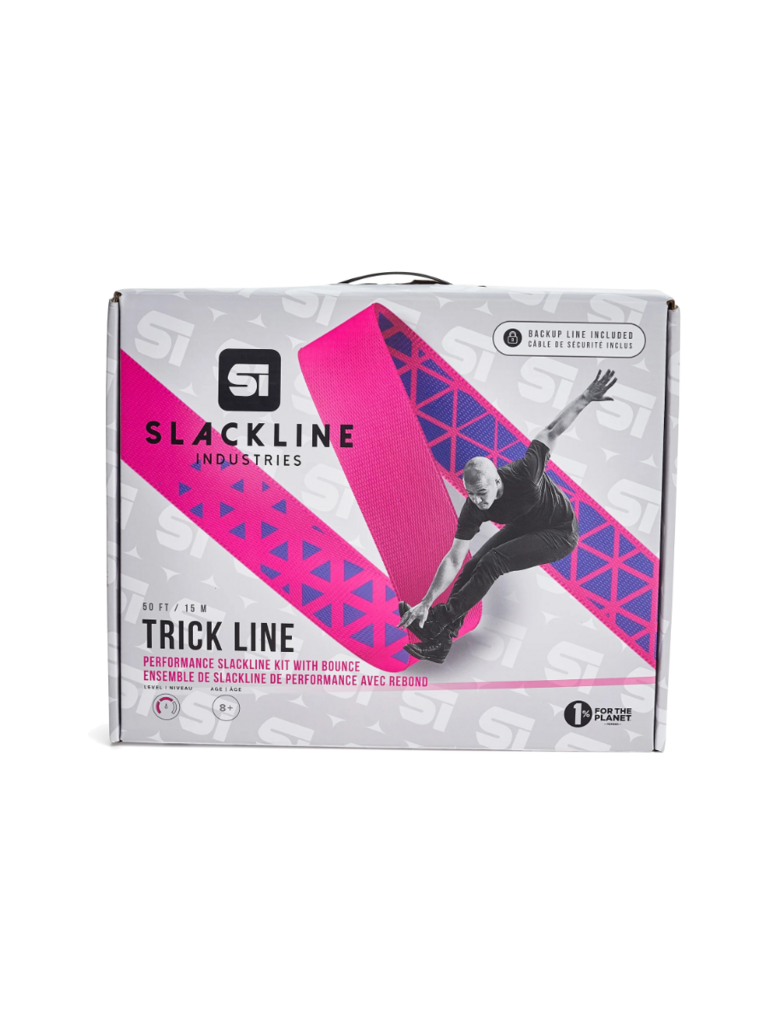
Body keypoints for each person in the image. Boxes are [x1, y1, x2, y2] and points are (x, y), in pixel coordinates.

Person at [399, 369, 619, 664]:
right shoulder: (474, 507)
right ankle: (441, 639)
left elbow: (552, 431)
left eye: (481, 492)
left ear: (496, 480)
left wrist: (585, 398)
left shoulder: (524, 473)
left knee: (494, 562)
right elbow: (453, 558)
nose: (477, 500)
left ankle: (439, 623)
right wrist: (426, 601)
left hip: (559, 532)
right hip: (525, 526)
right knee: (472, 566)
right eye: (470, 494)